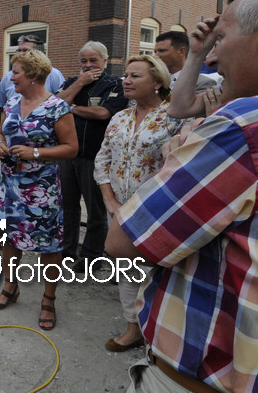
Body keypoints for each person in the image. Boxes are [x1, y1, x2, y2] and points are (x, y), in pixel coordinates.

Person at [106, 0, 258, 392]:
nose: (212, 55)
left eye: (222, 38)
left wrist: (180, 155)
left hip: (200, 372)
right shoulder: (123, 117)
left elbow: (123, 241)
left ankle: (135, 328)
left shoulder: (240, 126)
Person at [93, 55, 181, 352]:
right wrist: (110, 201)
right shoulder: (119, 117)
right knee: (128, 268)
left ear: (157, 82)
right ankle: (133, 328)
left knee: (161, 271)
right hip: (119, 208)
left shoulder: (175, 117)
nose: (126, 81)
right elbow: (102, 160)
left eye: (135, 76)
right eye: (126, 75)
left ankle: (163, 335)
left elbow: (181, 167)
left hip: (158, 211)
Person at [0, 50, 78, 331]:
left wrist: (36, 153)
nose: (11, 78)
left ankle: (49, 300)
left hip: (42, 189)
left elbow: (71, 148)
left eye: (15, 72)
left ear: (33, 76)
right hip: (10, 186)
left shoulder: (57, 107)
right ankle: (11, 286)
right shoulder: (12, 102)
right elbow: (1, 132)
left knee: (48, 244)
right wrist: (0, 144)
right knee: (9, 238)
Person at [56, 41, 128, 264]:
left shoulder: (114, 85)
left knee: (95, 209)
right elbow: (55, 104)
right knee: (67, 206)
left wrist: (72, 108)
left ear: (104, 61)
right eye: (84, 61)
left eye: (93, 60)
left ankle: (91, 255)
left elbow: (102, 113)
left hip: (95, 156)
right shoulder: (71, 82)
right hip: (67, 154)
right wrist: (80, 83)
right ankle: (67, 251)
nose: (88, 65)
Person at [0, 35, 65, 109]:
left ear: (38, 53)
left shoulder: (53, 74)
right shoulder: (8, 77)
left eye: (25, 51)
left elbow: (63, 101)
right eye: (19, 51)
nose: (21, 54)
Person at [153, 31, 217, 93]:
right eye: (155, 52)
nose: (156, 56)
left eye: (162, 51)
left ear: (181, 51)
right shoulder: (155, 81)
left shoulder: (202, 83)